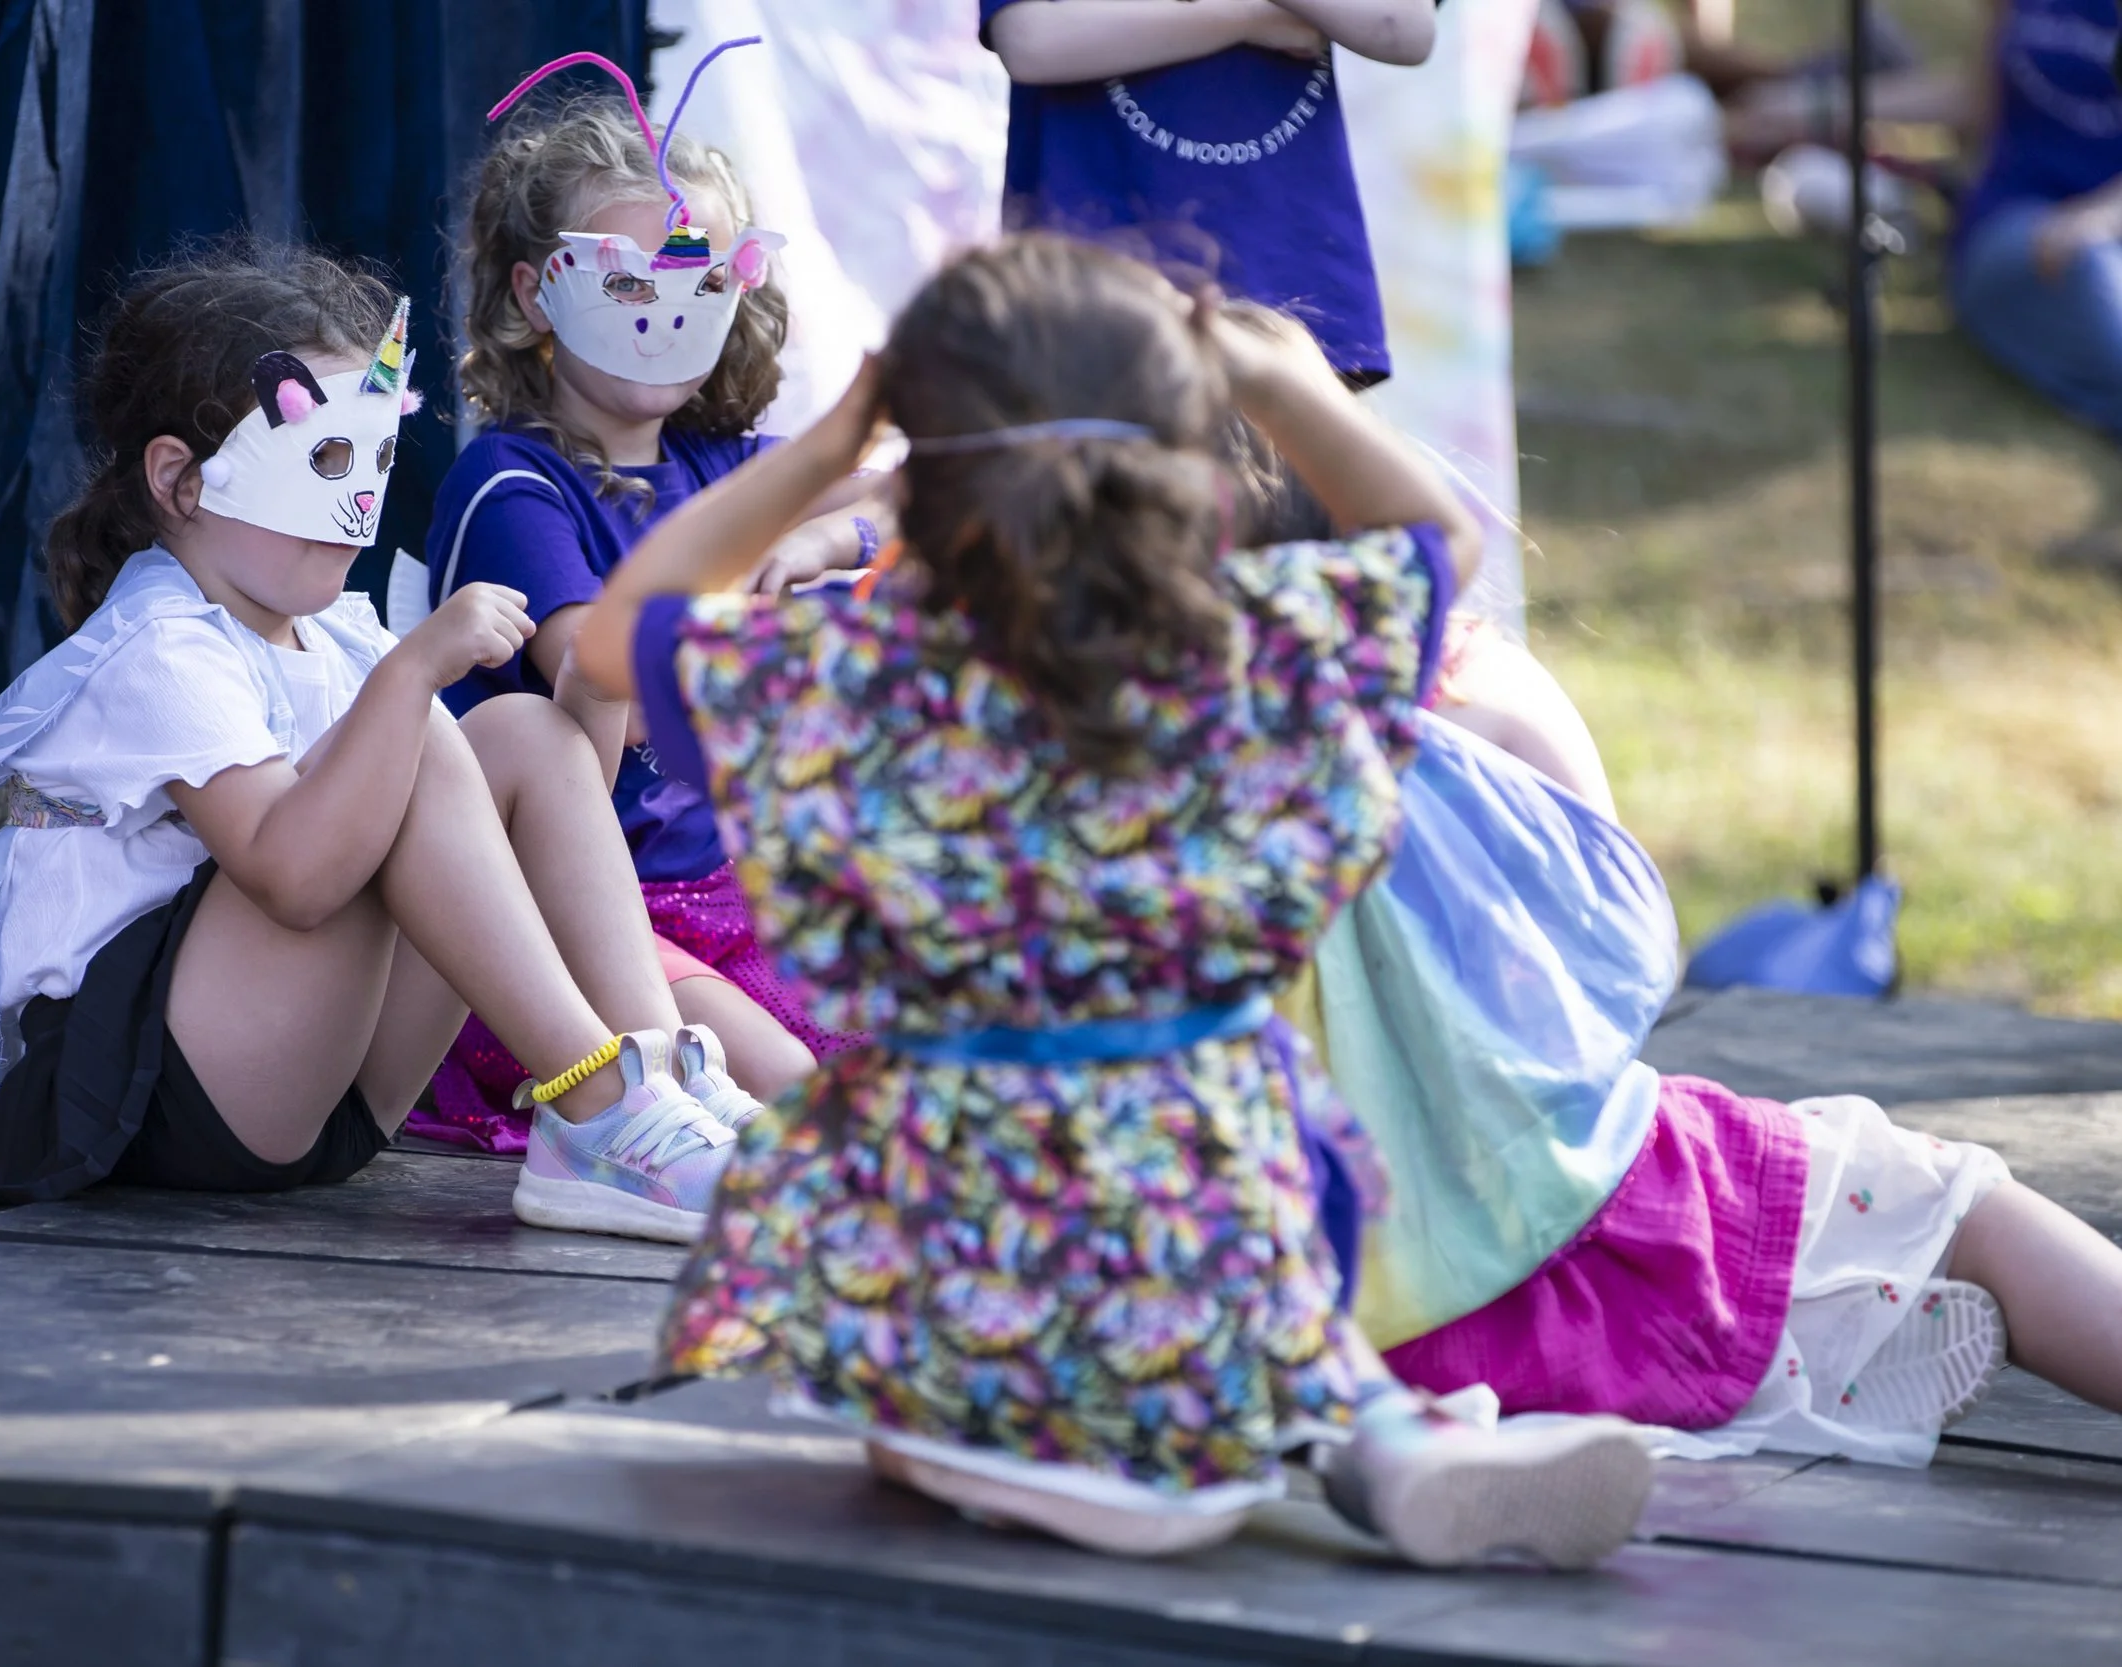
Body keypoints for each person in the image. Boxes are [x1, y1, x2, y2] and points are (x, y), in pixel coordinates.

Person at [569, 234, 1659, 1566]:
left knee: (876, 1343)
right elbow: (1436, 541)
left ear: (929, 482)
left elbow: (627, 630)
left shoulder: (850, 684)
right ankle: (1369, 1433)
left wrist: (825, 448)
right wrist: (1283, 383)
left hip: (966, 1202)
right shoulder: (1261, 654)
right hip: (1219, 1193)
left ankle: (1015, 1454)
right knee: (1256, 1210)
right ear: (1193, 467)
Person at [0, 245, 747, 1247]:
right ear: (184, 481)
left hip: (319, 1091)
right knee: (408, 730)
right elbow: (294, 878)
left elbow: (533, 841)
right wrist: (412, 675)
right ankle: (599, 1106)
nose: (358, 499)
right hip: (163, 1098)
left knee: (514, 728)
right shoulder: (161, 644)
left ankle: (661, 1076)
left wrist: (588, 689)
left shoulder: (334, 629)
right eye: (324, 458)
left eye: (374, 456)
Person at [1294, 581, 2122, 1467]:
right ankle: (1828, 1327)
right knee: (1954, 1203)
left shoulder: (1155, 780)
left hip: (1334, 1312)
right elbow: (1619, 969)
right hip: (1614, 1240)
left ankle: (1448, 1444)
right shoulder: (1483, 689)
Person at [418, 81, 880, 1149]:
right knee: (785, 1085)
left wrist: (820, 540)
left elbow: (921, 493)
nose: (661, 312)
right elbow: (607, 681)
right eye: (623, 281)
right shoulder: (510, 485)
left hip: (731, 896)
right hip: (579, 923)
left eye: (696, 277)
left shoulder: (722, 465)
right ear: (538, 295)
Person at [979, 0, 1438, 385]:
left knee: (1281, 485)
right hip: (1095, 278)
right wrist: (1250, 18)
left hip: (1284, 269)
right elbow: (1032, 42)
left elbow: (1401, 26)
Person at [1951, 0, 2122, 439]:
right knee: (2088, 271)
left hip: (2097, 228)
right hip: (2023, 225)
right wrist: (1811, 106)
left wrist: (2102, 215)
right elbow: (1974, 104)